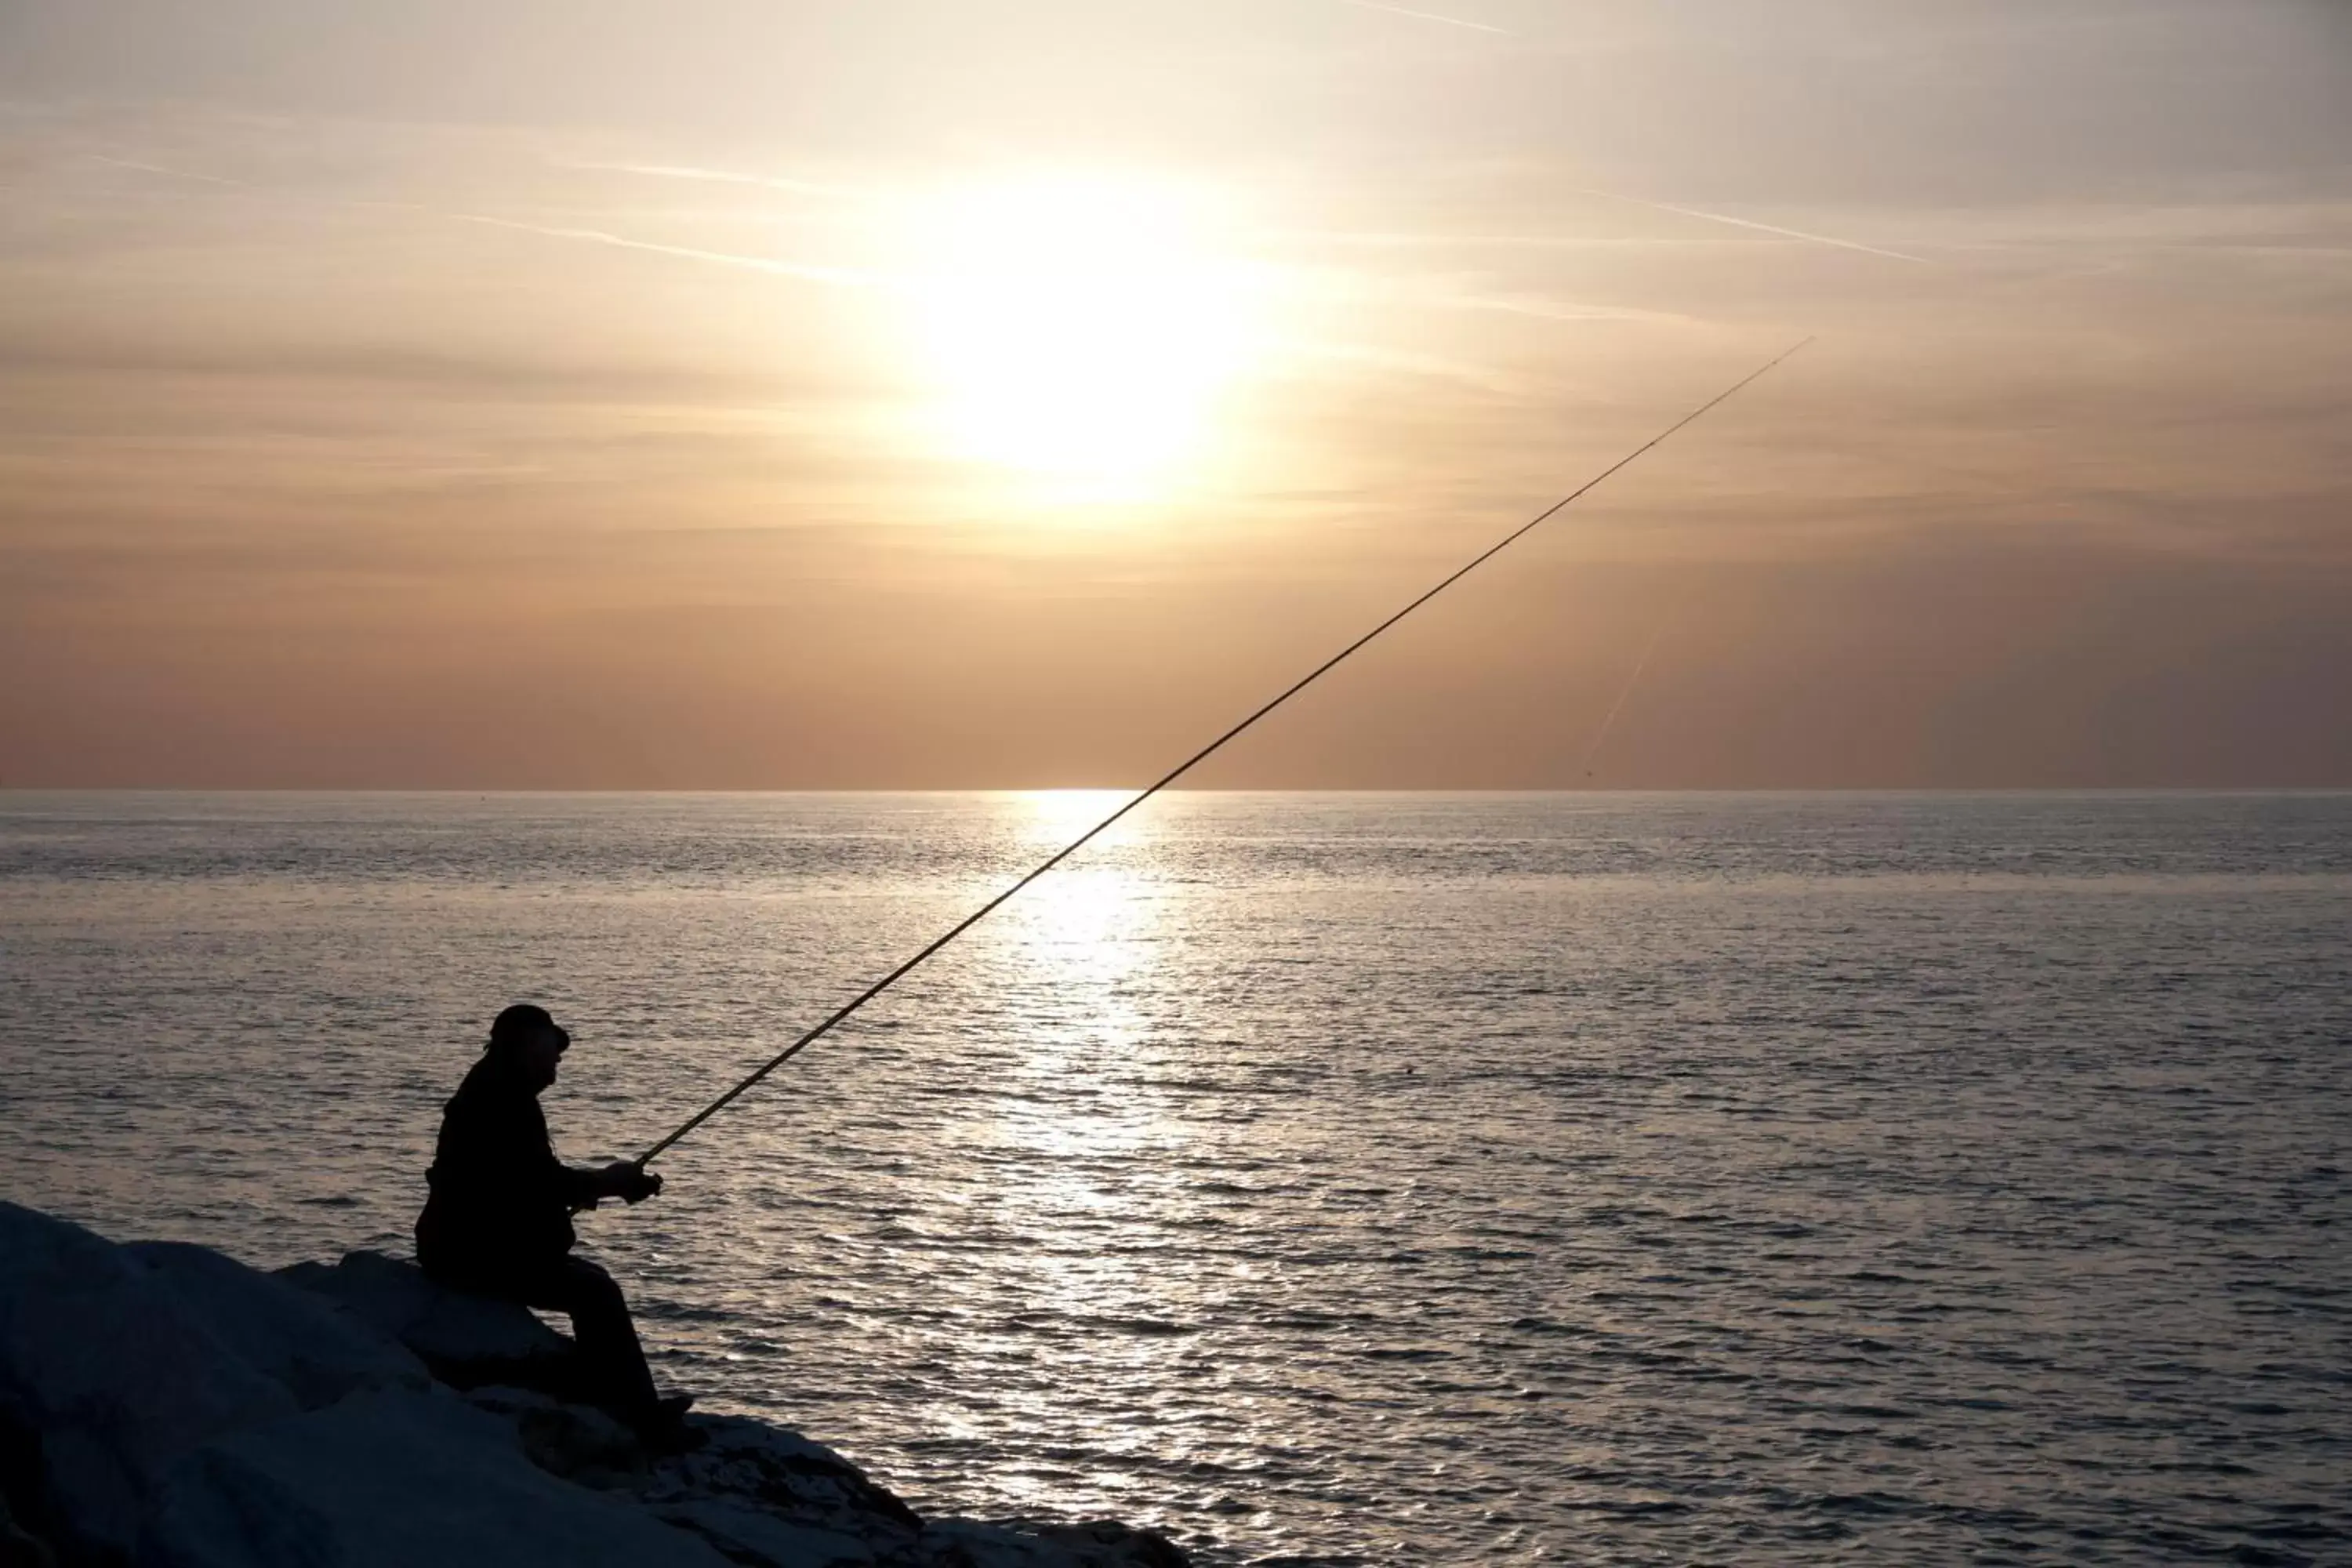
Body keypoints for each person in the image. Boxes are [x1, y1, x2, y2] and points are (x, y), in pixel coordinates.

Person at [416, 1004, 690, 1441]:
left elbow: (524, 1182)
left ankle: (624, 1401)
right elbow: (537, 1181)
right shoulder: (500, 1099)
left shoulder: (498, 1089)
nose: (559, 1058)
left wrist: (606, 1185)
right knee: (595, 1292)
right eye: (551, 1047)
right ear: (524, 1047)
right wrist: (609, 1183)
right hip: (470, 1252)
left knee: (592, 1280)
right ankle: (640, 1419)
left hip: (466, 1243)